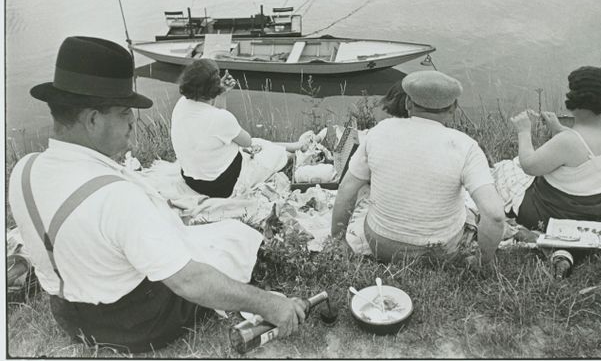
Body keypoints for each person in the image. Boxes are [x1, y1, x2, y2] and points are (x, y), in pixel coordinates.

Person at [8, 37, 306, 353]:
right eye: (125, 113)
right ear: (93, 119)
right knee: (232, 239)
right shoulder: (117, 197)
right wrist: (269, 305)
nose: (133, 124)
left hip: (67, 315)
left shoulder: (24, 170)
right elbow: (188, 282)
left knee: (209, 237)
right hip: (134, 323)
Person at [331, 70, 505, 264]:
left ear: (407, 103)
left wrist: (339, 241)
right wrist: (483, 260)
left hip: (381, 245)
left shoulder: (380, 131)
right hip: (440, 252)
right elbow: (495, 215)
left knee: (366, 192)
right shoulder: (466, 146)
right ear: (453, 108)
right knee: (470, 213)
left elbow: (346, 190)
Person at [510, 66, 601, 276]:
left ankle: (552, 242)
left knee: (509, 169)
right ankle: (566, 252)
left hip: (560, 213)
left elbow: (529, 165)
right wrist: (557, 128)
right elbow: (587, 148)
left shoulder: (569, 142)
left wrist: (523, 131)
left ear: (576, 97)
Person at [171, 59, 304, 198]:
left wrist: (220, 93)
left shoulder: (181, 105)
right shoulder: (220, 118)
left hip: (192, 180)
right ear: (213, 88)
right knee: (268, 152)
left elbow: (217, 126)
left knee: (255, 142)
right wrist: (220, 92)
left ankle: (297, 145)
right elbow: (246, 142)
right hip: (221, 185)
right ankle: (297, 150)